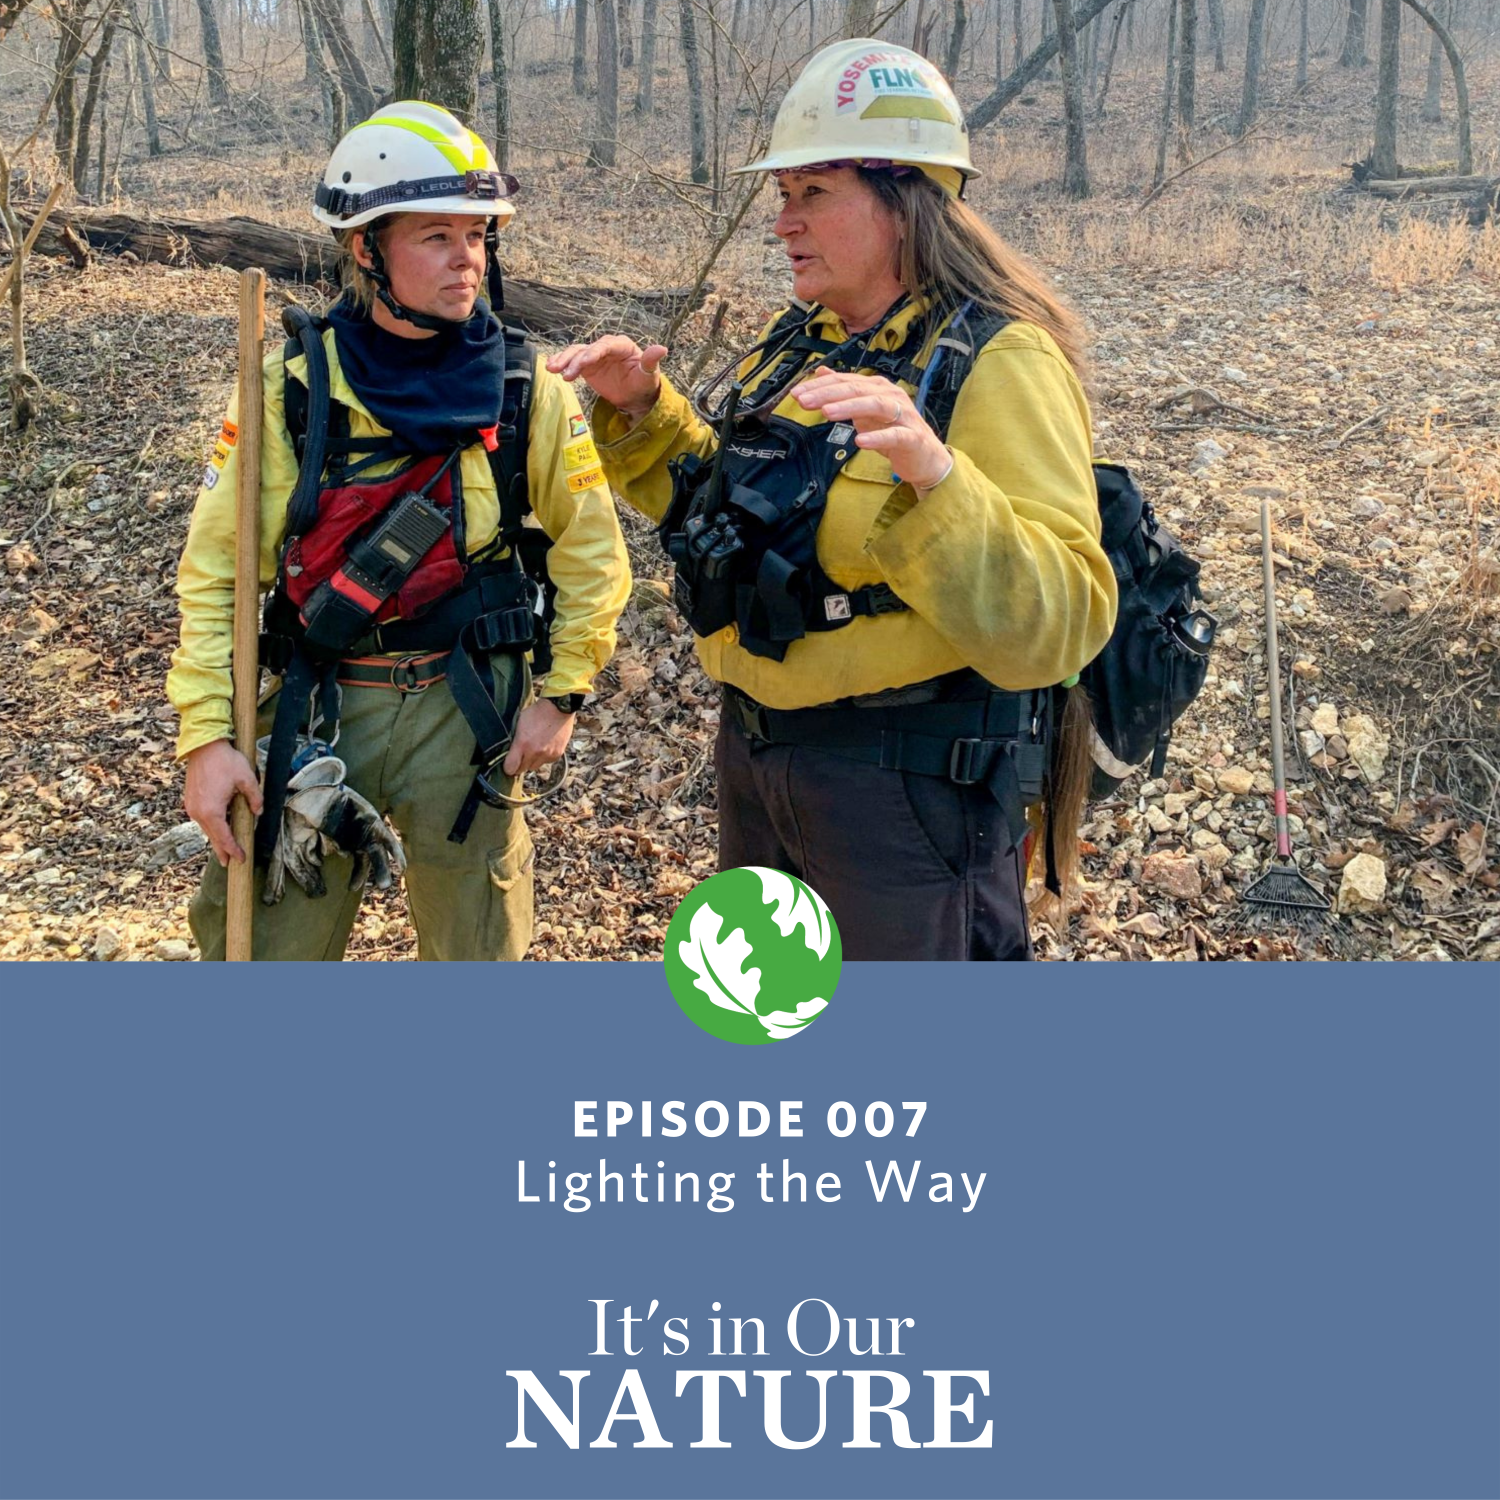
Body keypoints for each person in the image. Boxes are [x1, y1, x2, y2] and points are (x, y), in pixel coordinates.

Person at [549, 41, 1116, 961]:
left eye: (814, 193)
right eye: (783, 195)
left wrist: (938, 480)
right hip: (760, 769)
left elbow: (1064, 620)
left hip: (906, 796)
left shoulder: (1002, 359)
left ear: (906, 202)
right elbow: (744, 512)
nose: (783, 222)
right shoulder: (801, 342)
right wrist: (645, 413)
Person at [169, 102, 631, 961]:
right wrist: (206, 736)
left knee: (478, 952)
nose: (466, 260)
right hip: (321, 709)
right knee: (266, 951)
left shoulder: (528, 390)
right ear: (366, 248)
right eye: (436, 237)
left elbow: (591, 552)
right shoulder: (289, 391)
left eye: (478, 237)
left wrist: (564, 691)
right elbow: (218, 574)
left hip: (471, 712)